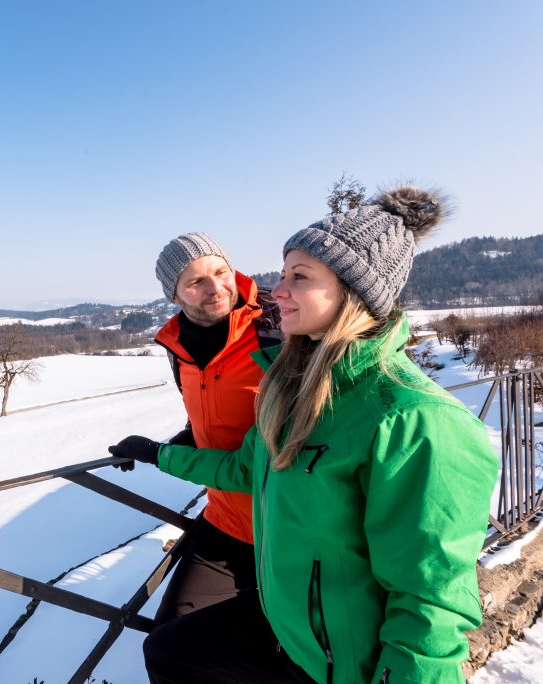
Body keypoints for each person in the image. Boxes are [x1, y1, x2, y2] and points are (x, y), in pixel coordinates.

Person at [110, 185, 499, 684]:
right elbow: (243, 467)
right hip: (291, 620)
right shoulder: (289, 387)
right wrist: (160, 455)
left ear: (353, 291)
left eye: (300, 277)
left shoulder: (415, 420)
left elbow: (432, 603)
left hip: (341, 658)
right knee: (169, 648)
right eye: (283, 273)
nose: (275, 291)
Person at [124, 232, 281, 625]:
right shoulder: (181, 350)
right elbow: (209, 421)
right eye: (196, 281)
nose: (216, 287)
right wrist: (180, 440)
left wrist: (160, 455)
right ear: (174, 296)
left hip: (285, 527)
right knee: (167, 636)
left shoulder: (278, 332)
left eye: (220, 271)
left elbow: (261, 456)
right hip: (225, 521)